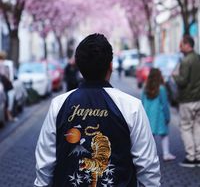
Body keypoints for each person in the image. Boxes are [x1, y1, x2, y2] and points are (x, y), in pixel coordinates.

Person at [34, 33, 160, 187]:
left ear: (79, 66)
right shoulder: (132, 106)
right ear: (111, 66)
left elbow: (44, 164)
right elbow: (148, 166)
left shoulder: (59, 105)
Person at [173, 35, 200, 167]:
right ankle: (199, 155)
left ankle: (191, 157)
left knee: (186, 127)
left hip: (187, 99)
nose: (180, 47)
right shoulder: (198, 58)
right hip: (198, 99)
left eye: (181, 45)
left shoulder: (185, 61)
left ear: (187, 45)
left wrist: (175, 76)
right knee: (197, 127)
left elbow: (182, 81)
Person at [142, 68, 175, 162]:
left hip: (148, 115)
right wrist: (167, 117)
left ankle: (151, 155)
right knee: (164, 135)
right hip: (159, 116)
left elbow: (142, 101)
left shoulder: (145, 87)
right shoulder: (161, 88)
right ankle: (166, 154)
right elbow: (165, 104)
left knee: (150, 137)